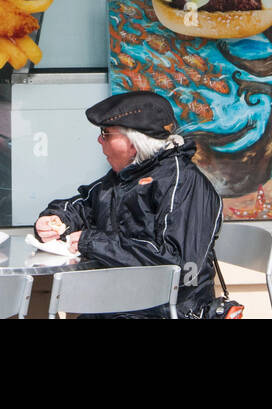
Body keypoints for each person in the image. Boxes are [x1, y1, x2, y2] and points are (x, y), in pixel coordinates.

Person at [36, 91, 222, 318]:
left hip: (167, 310)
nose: (99, 140)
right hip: (120, 302)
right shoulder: (126, 176)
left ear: (134, 143)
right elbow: (85, 204)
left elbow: (180, 267)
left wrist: (92, 242)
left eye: (105, 133)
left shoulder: (183, 183)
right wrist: (58, 218)